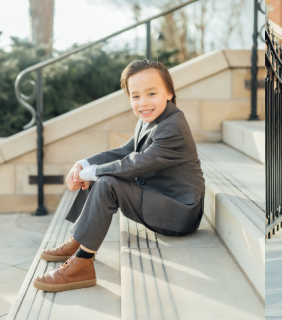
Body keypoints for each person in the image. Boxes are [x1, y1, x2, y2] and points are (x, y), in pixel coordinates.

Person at [32, 60, 204, 292]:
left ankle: (83, 261)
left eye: (151, 93)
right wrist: (83, 164)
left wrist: (89, 173)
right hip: (158, 197)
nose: (143, 103)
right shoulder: (152, 119)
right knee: (102, 173)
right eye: (135, 96)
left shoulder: (172, 127)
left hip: (179, 213)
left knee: (107, 182)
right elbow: (125, 151)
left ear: (169, 93)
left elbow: (133, 164)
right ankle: (79, 240)